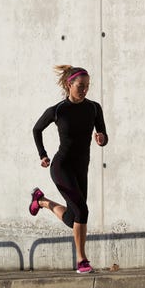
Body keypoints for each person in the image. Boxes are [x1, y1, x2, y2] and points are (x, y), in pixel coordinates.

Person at [29, 65, 108, 274]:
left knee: (74, 217)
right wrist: (42, 154)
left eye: (87, 86)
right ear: (69, 85)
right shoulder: (58, 110)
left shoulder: (94, 108)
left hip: (82, 168)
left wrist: (102, 139)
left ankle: (41, 200)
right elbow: (37, 129)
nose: (85, 90)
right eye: (81, 86)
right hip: (61, 167)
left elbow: (103, 134)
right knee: (83, 211)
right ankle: (82, 260)